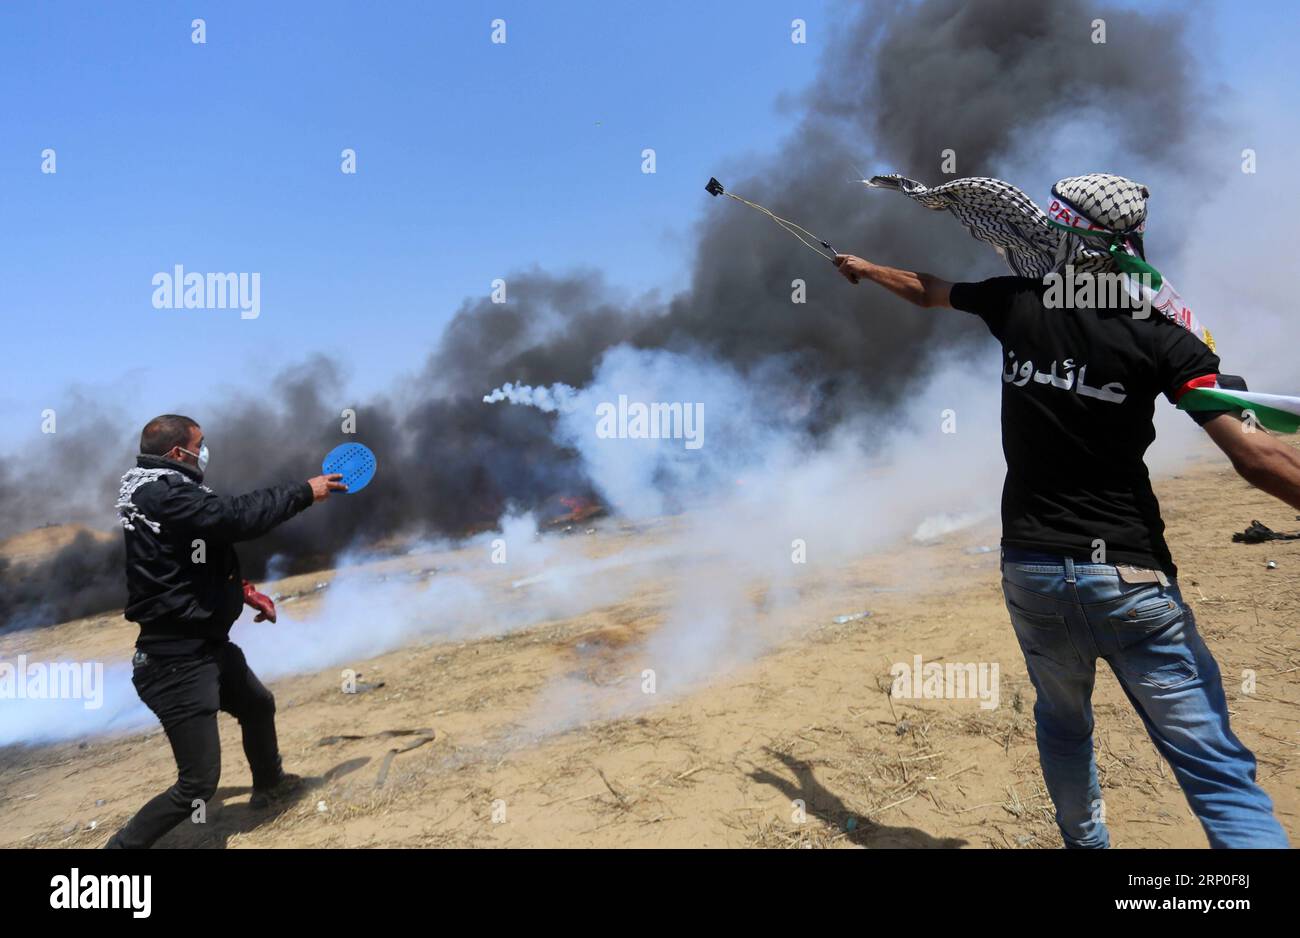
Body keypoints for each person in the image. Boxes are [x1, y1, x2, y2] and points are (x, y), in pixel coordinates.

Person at [833, 174, 1296, 848]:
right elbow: (1257, 458)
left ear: (1060, 235)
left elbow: (929, 289)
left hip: (1034, 572)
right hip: (1130, 580)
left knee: (1062, 723)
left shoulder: (1017, 303)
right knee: (1215, 771)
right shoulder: (1159, 334)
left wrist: (867, 269)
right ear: (1130, 244)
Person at [104, 414, 346, 848]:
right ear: (179, 452)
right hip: (176, 663)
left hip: (206, 648)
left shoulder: (155, 487)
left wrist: (245, 590)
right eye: (201, 443)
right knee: (197, 786)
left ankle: (270, 784)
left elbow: (191, 557)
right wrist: (302, 492)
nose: (205, 450)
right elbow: (233, 518)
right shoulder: (163, 493)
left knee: (256, 704)